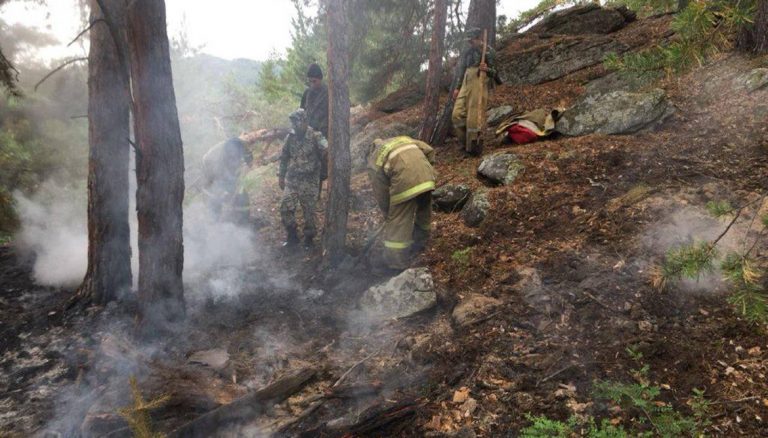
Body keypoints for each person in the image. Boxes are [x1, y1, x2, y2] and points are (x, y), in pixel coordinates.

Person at [367, 136, 436, 272]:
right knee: (424, 209)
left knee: (398, 222)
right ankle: (421, 241)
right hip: (427, 178)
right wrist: (429, 169)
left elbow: (381, 192)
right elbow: (429, 150)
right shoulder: (402, 139)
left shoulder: (374, 160)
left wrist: (389, 214)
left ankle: (396, 264)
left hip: (405, 182)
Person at [279, 109, 328, 249]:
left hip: (310, 180)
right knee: (285, 207)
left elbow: (326, 148)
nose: (294, 126)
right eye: (293, 123)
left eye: (297, 122)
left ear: (305, 121)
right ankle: (292, 236)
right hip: (293, 179)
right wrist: (281, 176)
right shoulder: (290, 137)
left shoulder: (315, 136)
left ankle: (309, 238)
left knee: (309, 211)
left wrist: (326, 152)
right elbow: (284, 157)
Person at [450, 27, 502, 155]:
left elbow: (497, 75)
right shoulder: (468, 52)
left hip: (479, 81)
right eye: (469, 41)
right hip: (466, 82)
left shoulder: (489, 52)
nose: (470, 43)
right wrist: (457, 87)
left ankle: (474, 148)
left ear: (479, 38)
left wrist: (486, 69)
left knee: (474, 117)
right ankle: (464, 143)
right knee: (457, 115)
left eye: (472, 40)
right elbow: (462, 71)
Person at [201, 133, 256, 222]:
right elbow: (221, 171)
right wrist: (225, 189)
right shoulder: (220, 154)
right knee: (217, 192)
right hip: (211, 167)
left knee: (237, 193)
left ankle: (241, 217)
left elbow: (248, 157)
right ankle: (214, 218)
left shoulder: (239, 144)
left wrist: (248, 165)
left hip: (221, 167)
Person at [300, 63, 329, 138]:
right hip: (308, 135)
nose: (312, 84)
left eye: (314, 81)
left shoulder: (328, 93)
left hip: (324, 135)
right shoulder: (307, 93)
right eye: (310, 81)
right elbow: (301, 112)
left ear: (320, 79)